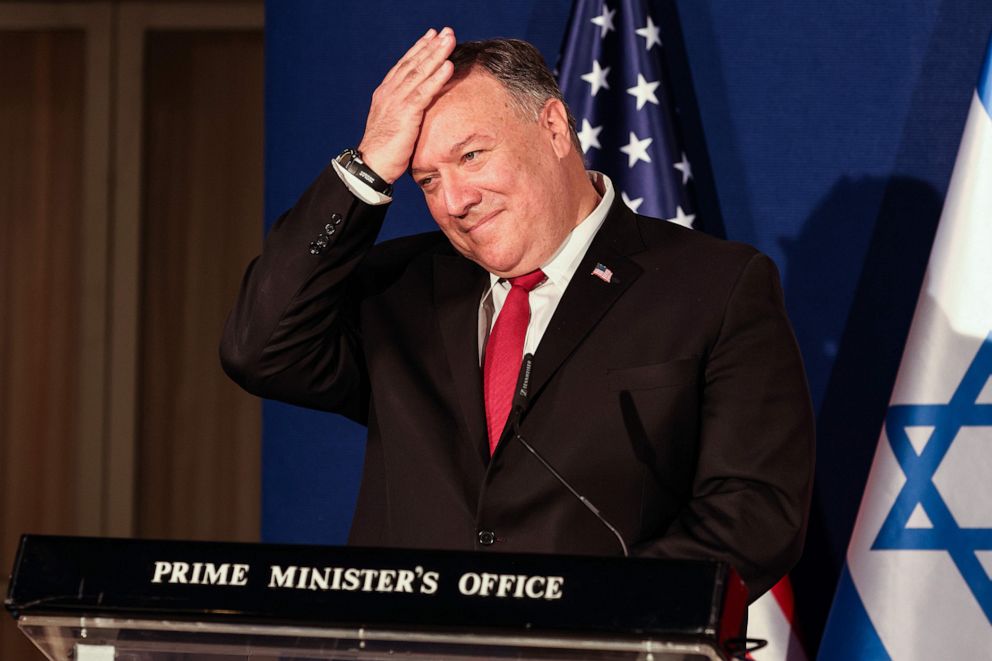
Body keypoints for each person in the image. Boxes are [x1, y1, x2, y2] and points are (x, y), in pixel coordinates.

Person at [220, 28, 814, 601]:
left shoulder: (713, 286)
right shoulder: (398, 290)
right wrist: (368, 166)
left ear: (553, 127)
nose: (454, 201)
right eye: (427, 180)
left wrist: (593, 613)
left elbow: (755, 512)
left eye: (471, 155)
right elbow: (261, 347)